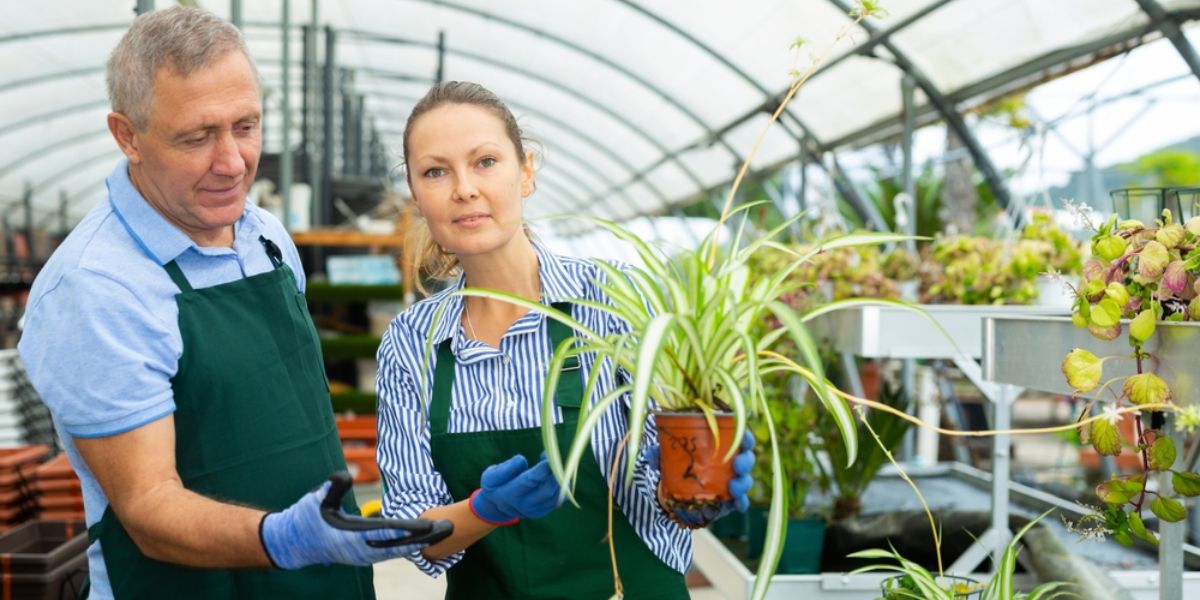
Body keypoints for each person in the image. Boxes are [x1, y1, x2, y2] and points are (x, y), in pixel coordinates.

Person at [18, 7, 430, 599]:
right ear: (126, 134)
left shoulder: (264, 236)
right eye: (198, 136)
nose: (233, 163)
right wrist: (283, 539)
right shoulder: (97, 288)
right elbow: (149, 507)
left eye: (246, 126)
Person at [375, 80, 755, 599]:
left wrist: (697, 483)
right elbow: (412, 533)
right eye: (436, 171)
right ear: (417, 196)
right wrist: (484, 510)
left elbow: (658, 482)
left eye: (485, 161)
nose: (464, 188)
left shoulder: (614, 299)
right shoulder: (411, 344)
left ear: (526, 171)